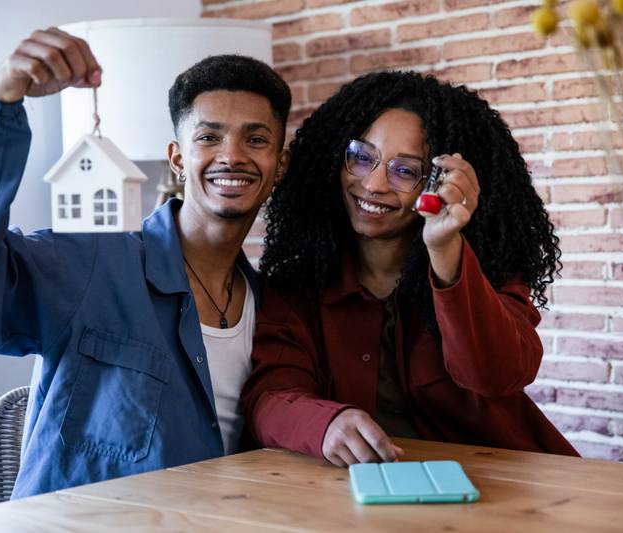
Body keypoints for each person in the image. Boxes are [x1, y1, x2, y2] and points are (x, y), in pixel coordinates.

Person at [0, 27, 291, 496]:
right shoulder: (91, 264)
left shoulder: (274, 312)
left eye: (256, 140)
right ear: (178, 159)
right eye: (209, 137)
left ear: (279, 165)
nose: (232, 156)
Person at [241, 71, 578, 467]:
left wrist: (446, 250)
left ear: (435, 185)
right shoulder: (299, 284)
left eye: (405, 171)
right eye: (362, 157)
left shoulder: (487, 272)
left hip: (498, 488)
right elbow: (269, 395)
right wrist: (325, 424)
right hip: (359, 495)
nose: (374, 184)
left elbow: (496, 374)